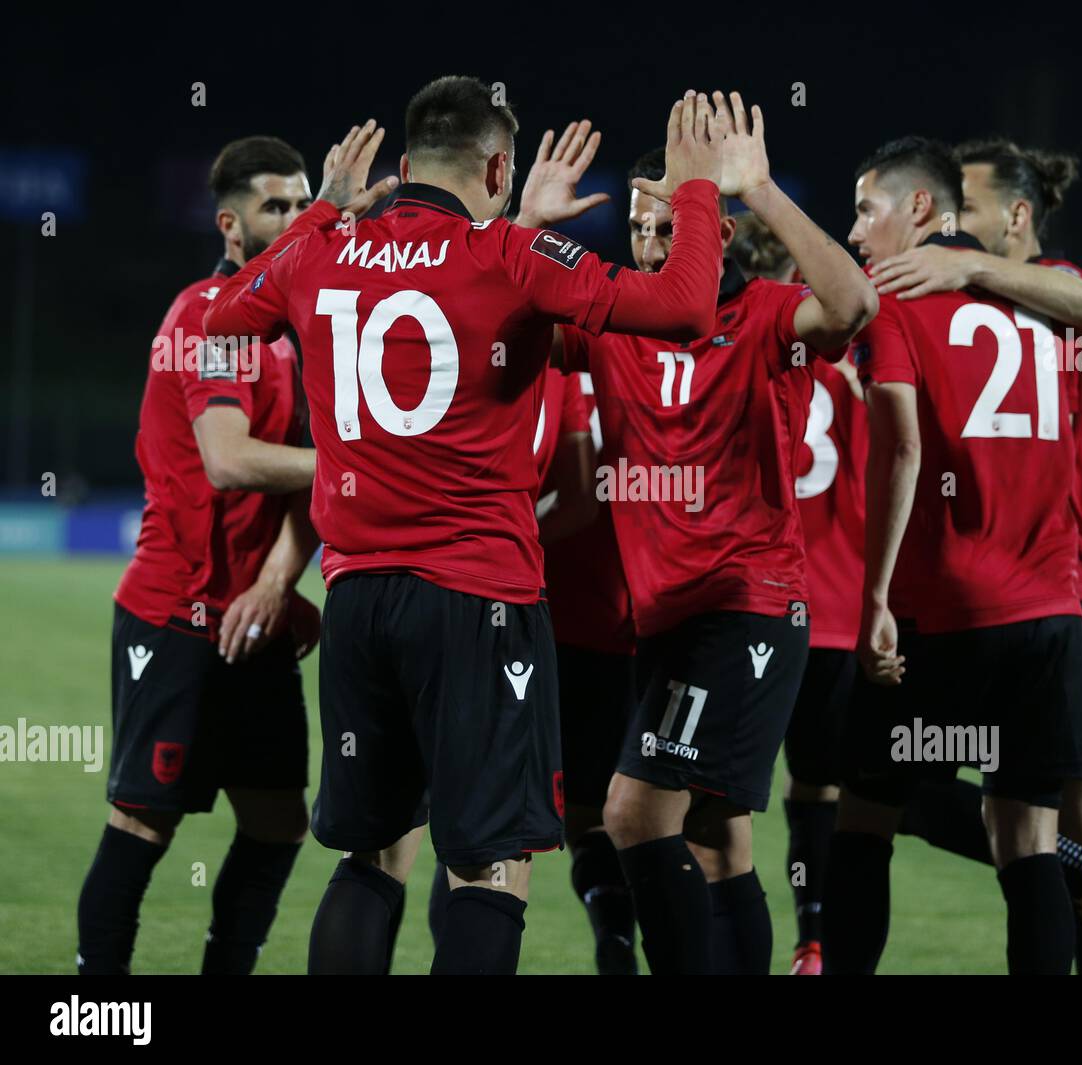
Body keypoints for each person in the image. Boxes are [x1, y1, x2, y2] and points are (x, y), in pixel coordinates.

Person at [205, 80, 725, 975]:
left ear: (402, 169)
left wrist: (322, 211)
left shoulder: (319, 254)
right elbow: (685, 309)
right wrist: (696, 189)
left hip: (359, 600)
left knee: (368, 855)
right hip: (478, 601)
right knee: (489, 866)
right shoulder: (516, 255)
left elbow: (223, 315)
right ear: (497, 167)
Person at [533, 90, 877, 974]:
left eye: (669, 227)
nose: (651, 245)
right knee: (722, 844)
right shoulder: (614, 327)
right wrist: (527, 222)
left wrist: (756, 189)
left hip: (747, 609)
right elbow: (511, 311)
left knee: (632, 814)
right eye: (641, 232)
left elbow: (852, 303)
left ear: (711, 237)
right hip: (668, 620)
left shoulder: (764, 316)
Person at [868, 138, 1082, 974]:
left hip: (1046, 588)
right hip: (1079, 589)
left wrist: (967, 272)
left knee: (951, 805)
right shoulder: (1038, 305)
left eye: (974, 212)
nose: (959, 230)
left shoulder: (1041, 291)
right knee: (1078, 819)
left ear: (1018, 219)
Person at [77, 135, 320, 976]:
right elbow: (228, 457)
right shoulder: (204, 318)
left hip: (256, 622)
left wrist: (280, 579)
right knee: (145, 823)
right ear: (230, 224)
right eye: (275, 207)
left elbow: (305, 496)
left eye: (302, 203)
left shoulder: (303, 333)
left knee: (279, 820)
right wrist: (360, 465)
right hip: (174, 617)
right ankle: (97, 1010)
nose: (293, 220)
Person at [730, 212, 868, 976]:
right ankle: (815, 941)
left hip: (755, 607)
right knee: (828, 789)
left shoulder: (739, 351)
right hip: (840, 612)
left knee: (719, 800)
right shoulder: (850, 375)